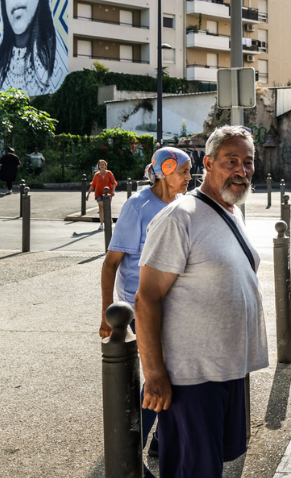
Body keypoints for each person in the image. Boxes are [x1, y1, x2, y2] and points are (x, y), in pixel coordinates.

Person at [135, 126, 268, 478]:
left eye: (248, 162)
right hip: (191, 380)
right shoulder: (180, 217)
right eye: (231, 161)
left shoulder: (231, 211)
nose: (242, 170)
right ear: (208, 163)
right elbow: (146, 298)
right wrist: (154, 374)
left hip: (227, 371)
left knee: (211, 467)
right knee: (191, 471)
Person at [101, 147, 192, 460]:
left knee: (175, 373)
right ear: (166, 170)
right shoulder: (137, 206)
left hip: (174, 304)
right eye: (184, 171)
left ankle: (158, 441)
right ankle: (130, 443)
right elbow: (111, 262)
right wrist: (106, 313)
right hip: (141, 305)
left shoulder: (181, 204)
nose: (189, 179)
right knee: (160, 373)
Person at [87, 160, 117, 230]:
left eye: (103, 164)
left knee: (107, 207)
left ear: (105, 166)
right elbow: (93, 185)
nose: (102, 165)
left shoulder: (109, 173)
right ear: (98, 166)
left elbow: (113, 183)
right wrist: (88, 194)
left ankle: (109, 219)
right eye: (100, 164)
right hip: (99, 193)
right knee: (101, 206)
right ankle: (101, 223)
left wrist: (113, 191)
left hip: (108, 194)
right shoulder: (96, 175)